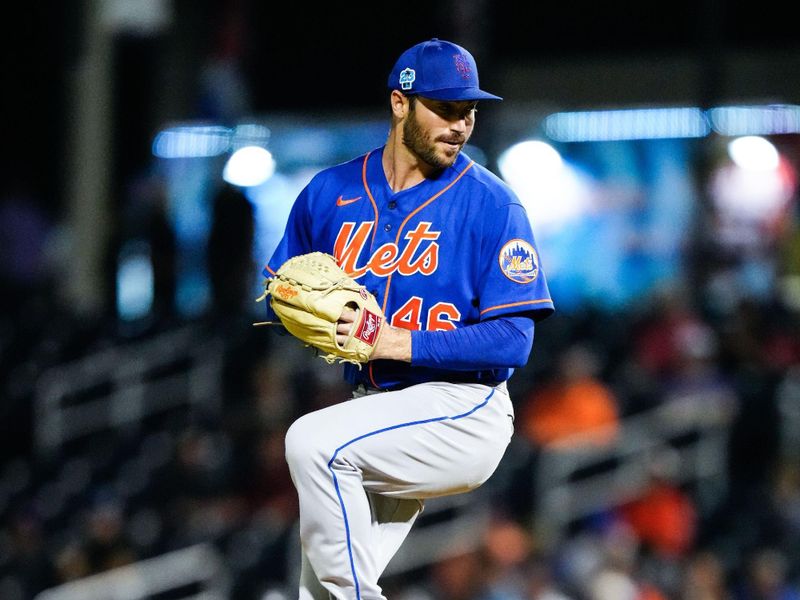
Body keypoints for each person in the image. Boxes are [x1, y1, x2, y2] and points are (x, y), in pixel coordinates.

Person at [262, 38, 554, 600]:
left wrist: (397, 342)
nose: (461, 125)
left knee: (311, 443)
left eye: (469, 111)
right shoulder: (330, 193)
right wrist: (294, 309)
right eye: (445, 109)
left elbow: (514, 341)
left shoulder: (492, 204)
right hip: (375, 412)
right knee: (319, 589)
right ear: (401, 103)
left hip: (462, 407)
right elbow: (281, 289)